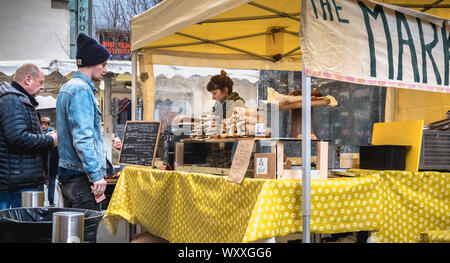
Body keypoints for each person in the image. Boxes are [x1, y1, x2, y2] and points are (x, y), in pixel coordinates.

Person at [56, 33, 109, 211]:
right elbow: (83, 137)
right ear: (92, 62)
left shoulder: (67, 88)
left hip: (70, 173)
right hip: (81, 177)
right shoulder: (81, 90)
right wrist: (96, 175)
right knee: (85, 234)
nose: (105, 69)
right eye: (103, 64)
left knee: (72, 233)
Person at [0, 63, 58, 209]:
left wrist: (44, 136)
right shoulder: (12, 100)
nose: (42, 87)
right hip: (17, 185)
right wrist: (50, 140)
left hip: (20, 182)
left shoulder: (18, 100)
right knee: (16, 229)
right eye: (40, 82)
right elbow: (17, 138)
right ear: (27, 79)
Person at [41, 117, 59, 207]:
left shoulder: (53, 134)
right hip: (42, 164)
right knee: (41, 183)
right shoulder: (39, 134)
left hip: (52, 163)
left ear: (48, 125)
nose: (43, 126)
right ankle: (41, 200)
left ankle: (51, 200)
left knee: (51, 183)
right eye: (42, 124)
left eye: (45, 124)